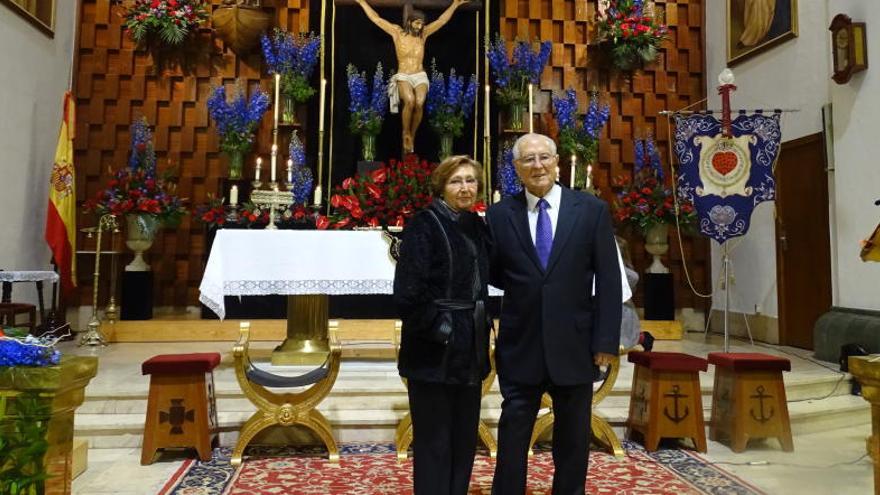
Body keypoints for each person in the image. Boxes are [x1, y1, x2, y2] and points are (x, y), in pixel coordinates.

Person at [486, 133, 622, 494]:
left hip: (575, 341)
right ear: (516, 169)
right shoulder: (500, 215)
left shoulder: (591, 210)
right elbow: (495, 272)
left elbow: (609, 278)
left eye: (543, 157)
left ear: (557, 161)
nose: (537, 166)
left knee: (574, 434)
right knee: (514, 430)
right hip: (521, 340)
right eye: (528, 160)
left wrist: (606, 339)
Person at [393, 155, 491, 494]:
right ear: (441, 186)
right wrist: (441, 329)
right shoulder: (425, 224)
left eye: (470, 180)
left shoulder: (476, 224)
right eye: (456, 181)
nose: (465, 188)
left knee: (464, 438)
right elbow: (408, 293)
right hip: (435, 350)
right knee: (435, 441)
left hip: (471, 345)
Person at [354, 0, 470, 154]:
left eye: (421, 24)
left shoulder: (424, 35)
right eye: (417, 23)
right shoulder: (397, 33)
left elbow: (442, 20)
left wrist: (455, 4)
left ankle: (412, 135)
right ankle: (405, 132)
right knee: (409, 101)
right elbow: (376, 19)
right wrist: (362, 2)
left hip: (419, 75)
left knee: (420, 102)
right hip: (404, 75)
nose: (419, 27)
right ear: (409, 22)